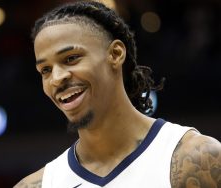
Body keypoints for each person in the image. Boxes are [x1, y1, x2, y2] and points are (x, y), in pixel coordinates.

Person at [14, 1, 221, 187]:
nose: (56, 78)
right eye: (45, 70)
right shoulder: (38, 185)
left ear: (115, 54)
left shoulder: (197, 159)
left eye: (71, 58)